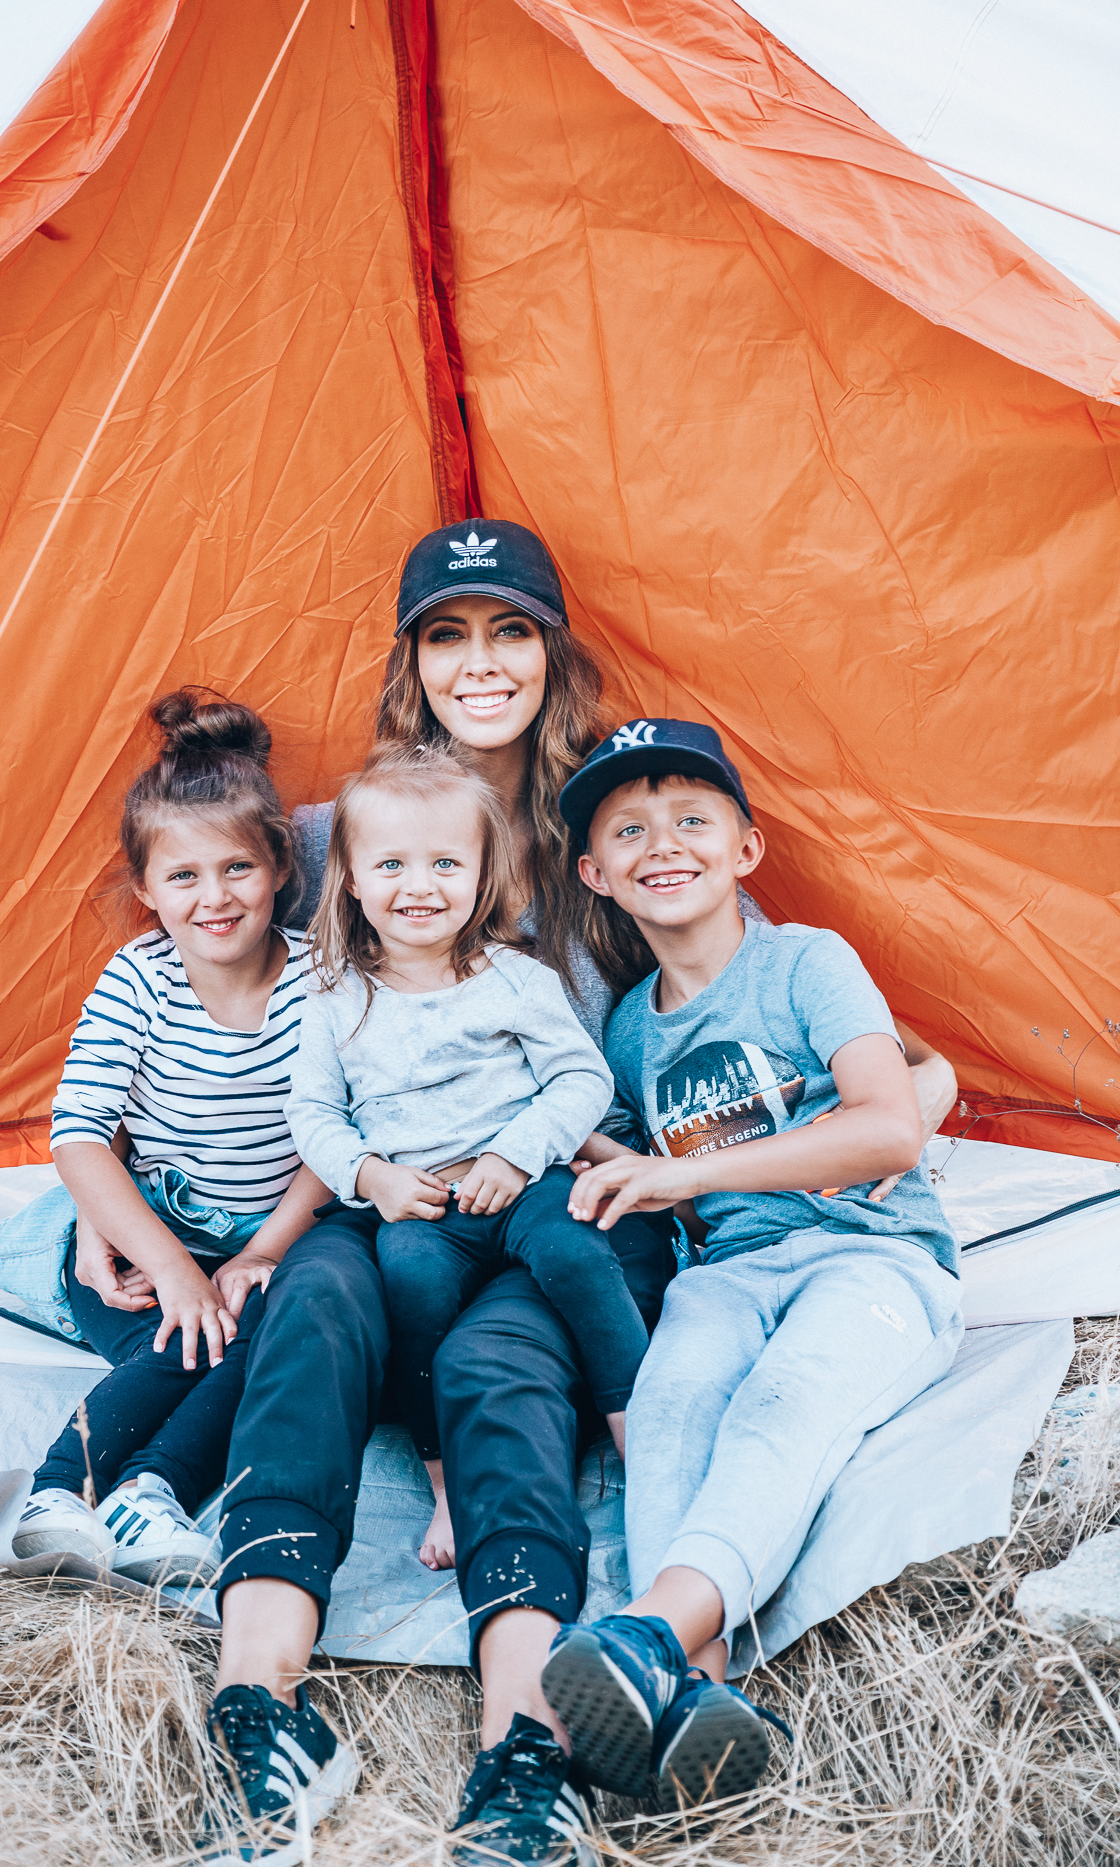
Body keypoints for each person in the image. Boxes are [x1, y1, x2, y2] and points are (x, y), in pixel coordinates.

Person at [72, 523, 955, 1867]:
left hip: (555, 1200)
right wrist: (107, 1191)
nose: (479, 666)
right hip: (392, 1205)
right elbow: (210, 950)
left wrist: (875, 1125)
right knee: (313, 1307)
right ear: (409, 664)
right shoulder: (332, 830)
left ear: (554, 653)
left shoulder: (614, 825)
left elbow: (790, 1037)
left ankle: (526, 1752)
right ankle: (263, 1715)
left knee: (502, 1368)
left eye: (509, 634)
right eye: (447, 636)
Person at [536, 718, 964, 1808]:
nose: (661, 842)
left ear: (746, 849)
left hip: (869, 1257)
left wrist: (684, 1179)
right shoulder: (632, 1026)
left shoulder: (806, 960)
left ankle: (643, 1633)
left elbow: (887, 1125)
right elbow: (620, 1145)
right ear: (596, 874)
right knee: (673, 1400)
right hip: (727, 1272)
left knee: (781, 1402)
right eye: (627, 830)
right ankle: (695, 1697)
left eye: (692, 818)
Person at [0, 690, 330, 1584]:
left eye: (236, 870)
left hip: (272, 1238)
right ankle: (57, 1491)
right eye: (182, 878)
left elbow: (336, 1140)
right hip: (148, 1238)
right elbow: (79, 1138)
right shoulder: (137, 982)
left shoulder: (323, 984)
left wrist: (256, 1255)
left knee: (266, 1331)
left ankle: (148, 1495)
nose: (213, 898)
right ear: (146, 889)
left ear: (278, 868)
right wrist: (177, 1269)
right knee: (177, 1336)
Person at [288, 743, 646, 1570]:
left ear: (484, 876)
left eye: (446, 863)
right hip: (421, 1204)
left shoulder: (513, 977)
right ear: (348, 877)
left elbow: (578, 1077)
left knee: (575, 1251)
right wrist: (370, 1177)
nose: (419, 886)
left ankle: (640, 1436)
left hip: (523, 1182)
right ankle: (448, 1489)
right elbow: (311, 1112)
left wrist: (518, 1157)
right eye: (391, 865)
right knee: (410, 1287)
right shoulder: (334, 993)